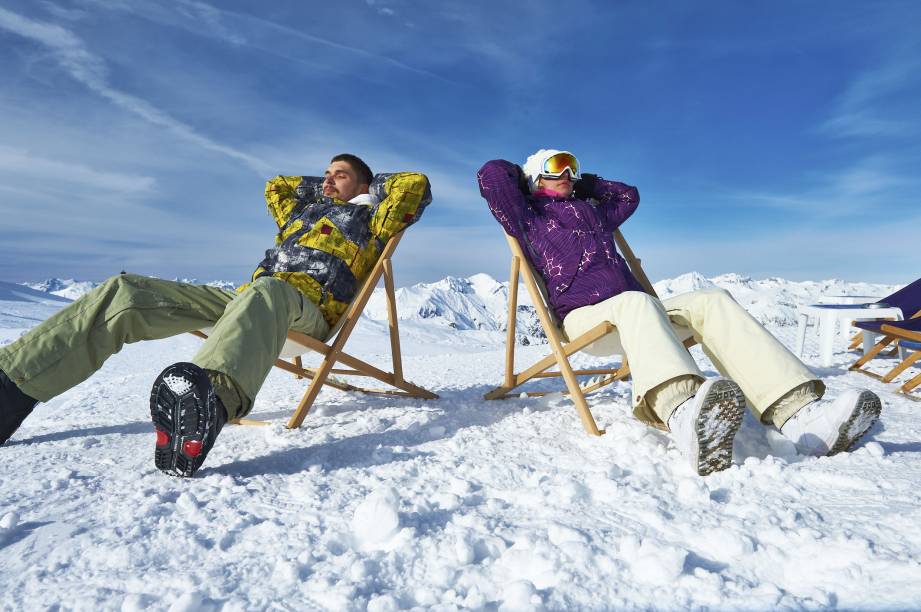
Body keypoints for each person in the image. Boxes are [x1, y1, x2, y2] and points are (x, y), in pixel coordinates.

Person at [0, 154, 432, 477]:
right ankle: (13, 384)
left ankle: (210, 404)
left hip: (304, 309)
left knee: (267, 291)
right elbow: (275, 187)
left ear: (365, 183)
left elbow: (416, 183)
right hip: (248, 301)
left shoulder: (376, 217)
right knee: (126, 291)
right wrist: (322, 188)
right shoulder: (302, 212)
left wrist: (369, 187)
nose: (327, 180)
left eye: (339, 174)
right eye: (325, 173)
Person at [477, 149, 882, 475]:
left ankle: (801, 416)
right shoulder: (528, 216)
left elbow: (628, 196)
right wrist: (522, 173)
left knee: (712, 300)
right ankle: (682, 413)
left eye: (572, 166)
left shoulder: (595, 210)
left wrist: (588, 182)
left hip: (638, 314)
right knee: (637, 302)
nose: (567, 173)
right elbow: (490, 175)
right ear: (535, 178)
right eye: (556, 167)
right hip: (585, 318)